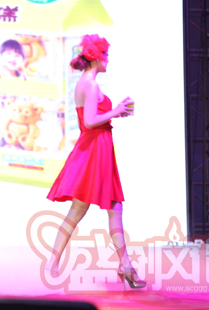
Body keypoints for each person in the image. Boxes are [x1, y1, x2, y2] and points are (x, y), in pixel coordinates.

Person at [46, 34, 144, 289]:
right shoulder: (89, 84)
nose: (108, 60)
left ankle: (52, 264)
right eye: (106, 55)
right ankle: (125, 265)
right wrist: (116, 110)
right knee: (111, 207)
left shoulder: (86, 82)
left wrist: (115, 112)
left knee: (85, 209)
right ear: (97, 57)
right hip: (95, 149)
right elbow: (90, 121)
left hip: (94, 148)